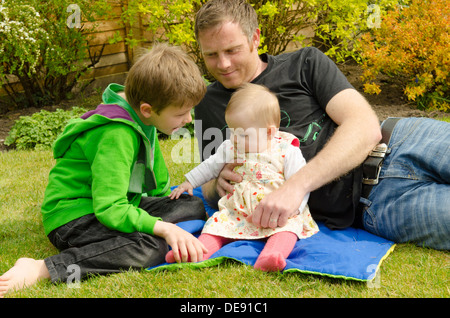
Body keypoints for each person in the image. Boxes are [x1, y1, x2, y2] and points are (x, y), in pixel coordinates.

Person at [193, 0, 449, 250]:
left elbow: (364, 126)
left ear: (255, 38)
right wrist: (216, 186)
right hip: (378, 203)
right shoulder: (206, 104)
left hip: (403, 140)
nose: (223, 64)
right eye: (211, 55)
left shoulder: (304, 63)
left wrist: (295, 187)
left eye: (232, 50)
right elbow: (209, 181)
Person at [0, 43, 208, 297]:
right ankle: (42, 268)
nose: (188, 119)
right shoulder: (115, 134)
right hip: (75, 219)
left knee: (192, 205)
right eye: (181, 113)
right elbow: (109, 207)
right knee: (152, 246)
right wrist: (164, 227)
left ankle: (145, 233)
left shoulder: (145, 116)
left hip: (116, 204)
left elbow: (155, 178)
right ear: (147, 109)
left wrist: (167, 203)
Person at [167, 83, 319, 271]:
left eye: (243, 134)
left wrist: (295, 208)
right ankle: (195, 252)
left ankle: (272, 256)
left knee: (287, 230)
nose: (235, 138)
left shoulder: (286, 151)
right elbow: (210, 166)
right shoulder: (231, 147)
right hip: (238, 211)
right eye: (232, 131)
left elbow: (301, 183)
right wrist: (189, 182)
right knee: (216, 226)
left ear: (269, 132)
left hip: (277, 213)